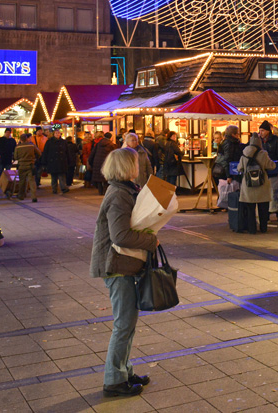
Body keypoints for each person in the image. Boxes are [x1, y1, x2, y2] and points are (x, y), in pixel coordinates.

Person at [89, 147, 159, 399]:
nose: (139, 166)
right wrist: (151, 241)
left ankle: (123, 371)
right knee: (123, 324)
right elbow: (120, 235)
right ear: (127, 167)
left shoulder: (125, 189)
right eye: (135, 162)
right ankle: (114, 381)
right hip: (117, 265)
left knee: (128, 323)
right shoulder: (119, 194)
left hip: (123, 263)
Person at [238, 134, 275, 234]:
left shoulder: (244, 153)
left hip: (248, 184)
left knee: (250, 209)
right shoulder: (263, 153)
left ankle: (252, 229)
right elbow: (271, 166)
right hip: (262, 184)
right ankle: (263, 228)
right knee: (263, 208)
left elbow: (239, 168)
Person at [257, 121, 278, 221]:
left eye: (263, 130)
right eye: (260, 130)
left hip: (274, 169)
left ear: (268, 131)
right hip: (263, 171)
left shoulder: (276, 140)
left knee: (276, 192)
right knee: (266, 193)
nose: (260, 132)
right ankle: (267, 213)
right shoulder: (259, 140)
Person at [13, 133, 40, 202]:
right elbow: (39, 153)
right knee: (32, 181)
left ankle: (21, 195)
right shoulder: (32, 145)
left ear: (20, 140)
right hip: (31, 165)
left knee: (22, 181)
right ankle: (34, 196)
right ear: (27, 139)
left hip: (22, 166)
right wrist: (34, 159)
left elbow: (15, 157)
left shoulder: (18, 147)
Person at [41, 130, 69, 194]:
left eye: (59, 133)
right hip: (52, 161)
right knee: (54, 177)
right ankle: (54, 189)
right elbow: (45, 152)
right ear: (53, 134)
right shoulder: (49, 142)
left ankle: (63, 188)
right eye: (56, 133)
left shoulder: (64, 142)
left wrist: (68, 161)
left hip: (61, 162)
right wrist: (44, 162)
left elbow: (67, 152)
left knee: (61, 176)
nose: (57, 134)